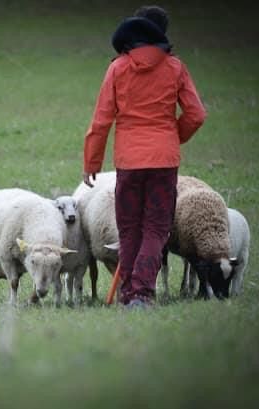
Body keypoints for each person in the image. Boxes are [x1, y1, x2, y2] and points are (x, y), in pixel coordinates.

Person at [82, 6, 206, 307]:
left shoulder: (118, 68)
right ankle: (142, 293)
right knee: (156, 229)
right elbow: (196, 114)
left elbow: (101, 121)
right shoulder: (175, 67)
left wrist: (92, 163)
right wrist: (173, 137)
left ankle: (130, 293)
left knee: (129, 229)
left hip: (129, 162)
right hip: (164, 161)